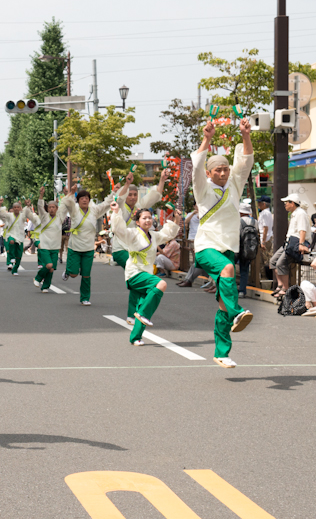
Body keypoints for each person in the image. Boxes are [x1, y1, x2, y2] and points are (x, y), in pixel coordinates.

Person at [190, 118, 254, 368]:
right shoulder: (202, 188)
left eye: (225, 169)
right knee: (228, 272)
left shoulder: (235, 186)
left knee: (222, 305)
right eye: (217, 169)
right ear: (209, 172)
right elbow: (196, 167)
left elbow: (245, 163)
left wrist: (245, 135)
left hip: (228, 248)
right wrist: (207, 138)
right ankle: (238, 310)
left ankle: (221, 352)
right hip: (206, 247)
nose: (223, 172)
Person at [108, 203, 180, 345]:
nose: (148, 220)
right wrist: (116, 211)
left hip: (146, 274)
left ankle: (135, 337)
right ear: (137, 221)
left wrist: (176, 219)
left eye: (150, 218)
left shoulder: (154, 235)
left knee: (143, 305)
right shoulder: (132, 233)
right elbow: (118, 229)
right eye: (144, 218)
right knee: (162, 283)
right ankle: (141, 315)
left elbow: (168, 234)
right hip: (134, 274)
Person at [61, 185, 115, 305]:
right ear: (78, 200)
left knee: (86, 275)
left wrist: (114, 191)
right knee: (74, 274)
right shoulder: (74, 210)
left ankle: (85, 298)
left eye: (86, 198)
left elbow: (106, 204)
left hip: (88, 248)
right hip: (75, 247)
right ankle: (68, 271)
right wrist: (71, 193)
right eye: (82, 198)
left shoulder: (94, 211)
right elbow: (66, 202)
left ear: (89, 200)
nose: (84, 200)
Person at [268, 193, 311, 298]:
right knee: (273, 261)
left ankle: (286, 288)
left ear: (292, 203)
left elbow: (302, 230)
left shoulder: (300, 213)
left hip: (295, 244)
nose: (285, 205)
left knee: (280, 263)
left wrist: (301, 244)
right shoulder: (294, 213)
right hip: (288, 243)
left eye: (286, 202)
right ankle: (280, 285)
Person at [32, 189, 69, 292]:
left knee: (51, 269)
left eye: (53, 207)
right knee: (49, 265)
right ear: (47, 208)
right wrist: (41, 195)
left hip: (55, 246)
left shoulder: (60, 217)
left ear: (57, 208)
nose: (51, 209)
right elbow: (40, 206)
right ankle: (38, 277)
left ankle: (45, 287)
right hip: (44, 245)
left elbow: (65, 207)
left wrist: (67, 196)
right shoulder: (44, 216)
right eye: (49, 207)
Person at [0, 198, 38, 275]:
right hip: (11, 234)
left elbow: (28, 214)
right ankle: (12, 257)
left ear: (20, 208)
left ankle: (15, 270)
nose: (16, 208)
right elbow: (1, 214)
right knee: (11, 241)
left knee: (19, 255)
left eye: (17, 207)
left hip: (20, 237)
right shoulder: (9, 215)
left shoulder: (22, 216)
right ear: (12, 208)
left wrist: (27, 205)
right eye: (14, 207)